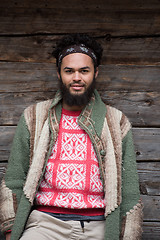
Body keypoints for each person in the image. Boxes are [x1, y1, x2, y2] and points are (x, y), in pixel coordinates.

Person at [0, 33, 143, 240]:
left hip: (100, 227)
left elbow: (130, 192)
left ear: (96, 73)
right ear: (59, 74)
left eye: (84, 71)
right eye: (69, 71)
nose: (77, 77)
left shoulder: (115, 121)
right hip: (45, 224)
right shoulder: (35, 117)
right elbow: (13, 179)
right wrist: (12, 231)